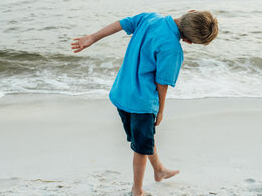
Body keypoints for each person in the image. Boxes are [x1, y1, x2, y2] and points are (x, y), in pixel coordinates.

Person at [71, 11, 218, 196]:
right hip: (142, 103)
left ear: (190, 12)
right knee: (141, 148)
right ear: (188, 41)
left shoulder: (150, 18)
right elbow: (162, 83)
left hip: (121, 92)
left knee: (144, 138)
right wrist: (161, 110)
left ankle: (159, 170)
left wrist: (92, 37)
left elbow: (121, 24)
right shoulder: (172, 49)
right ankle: (137, 190)